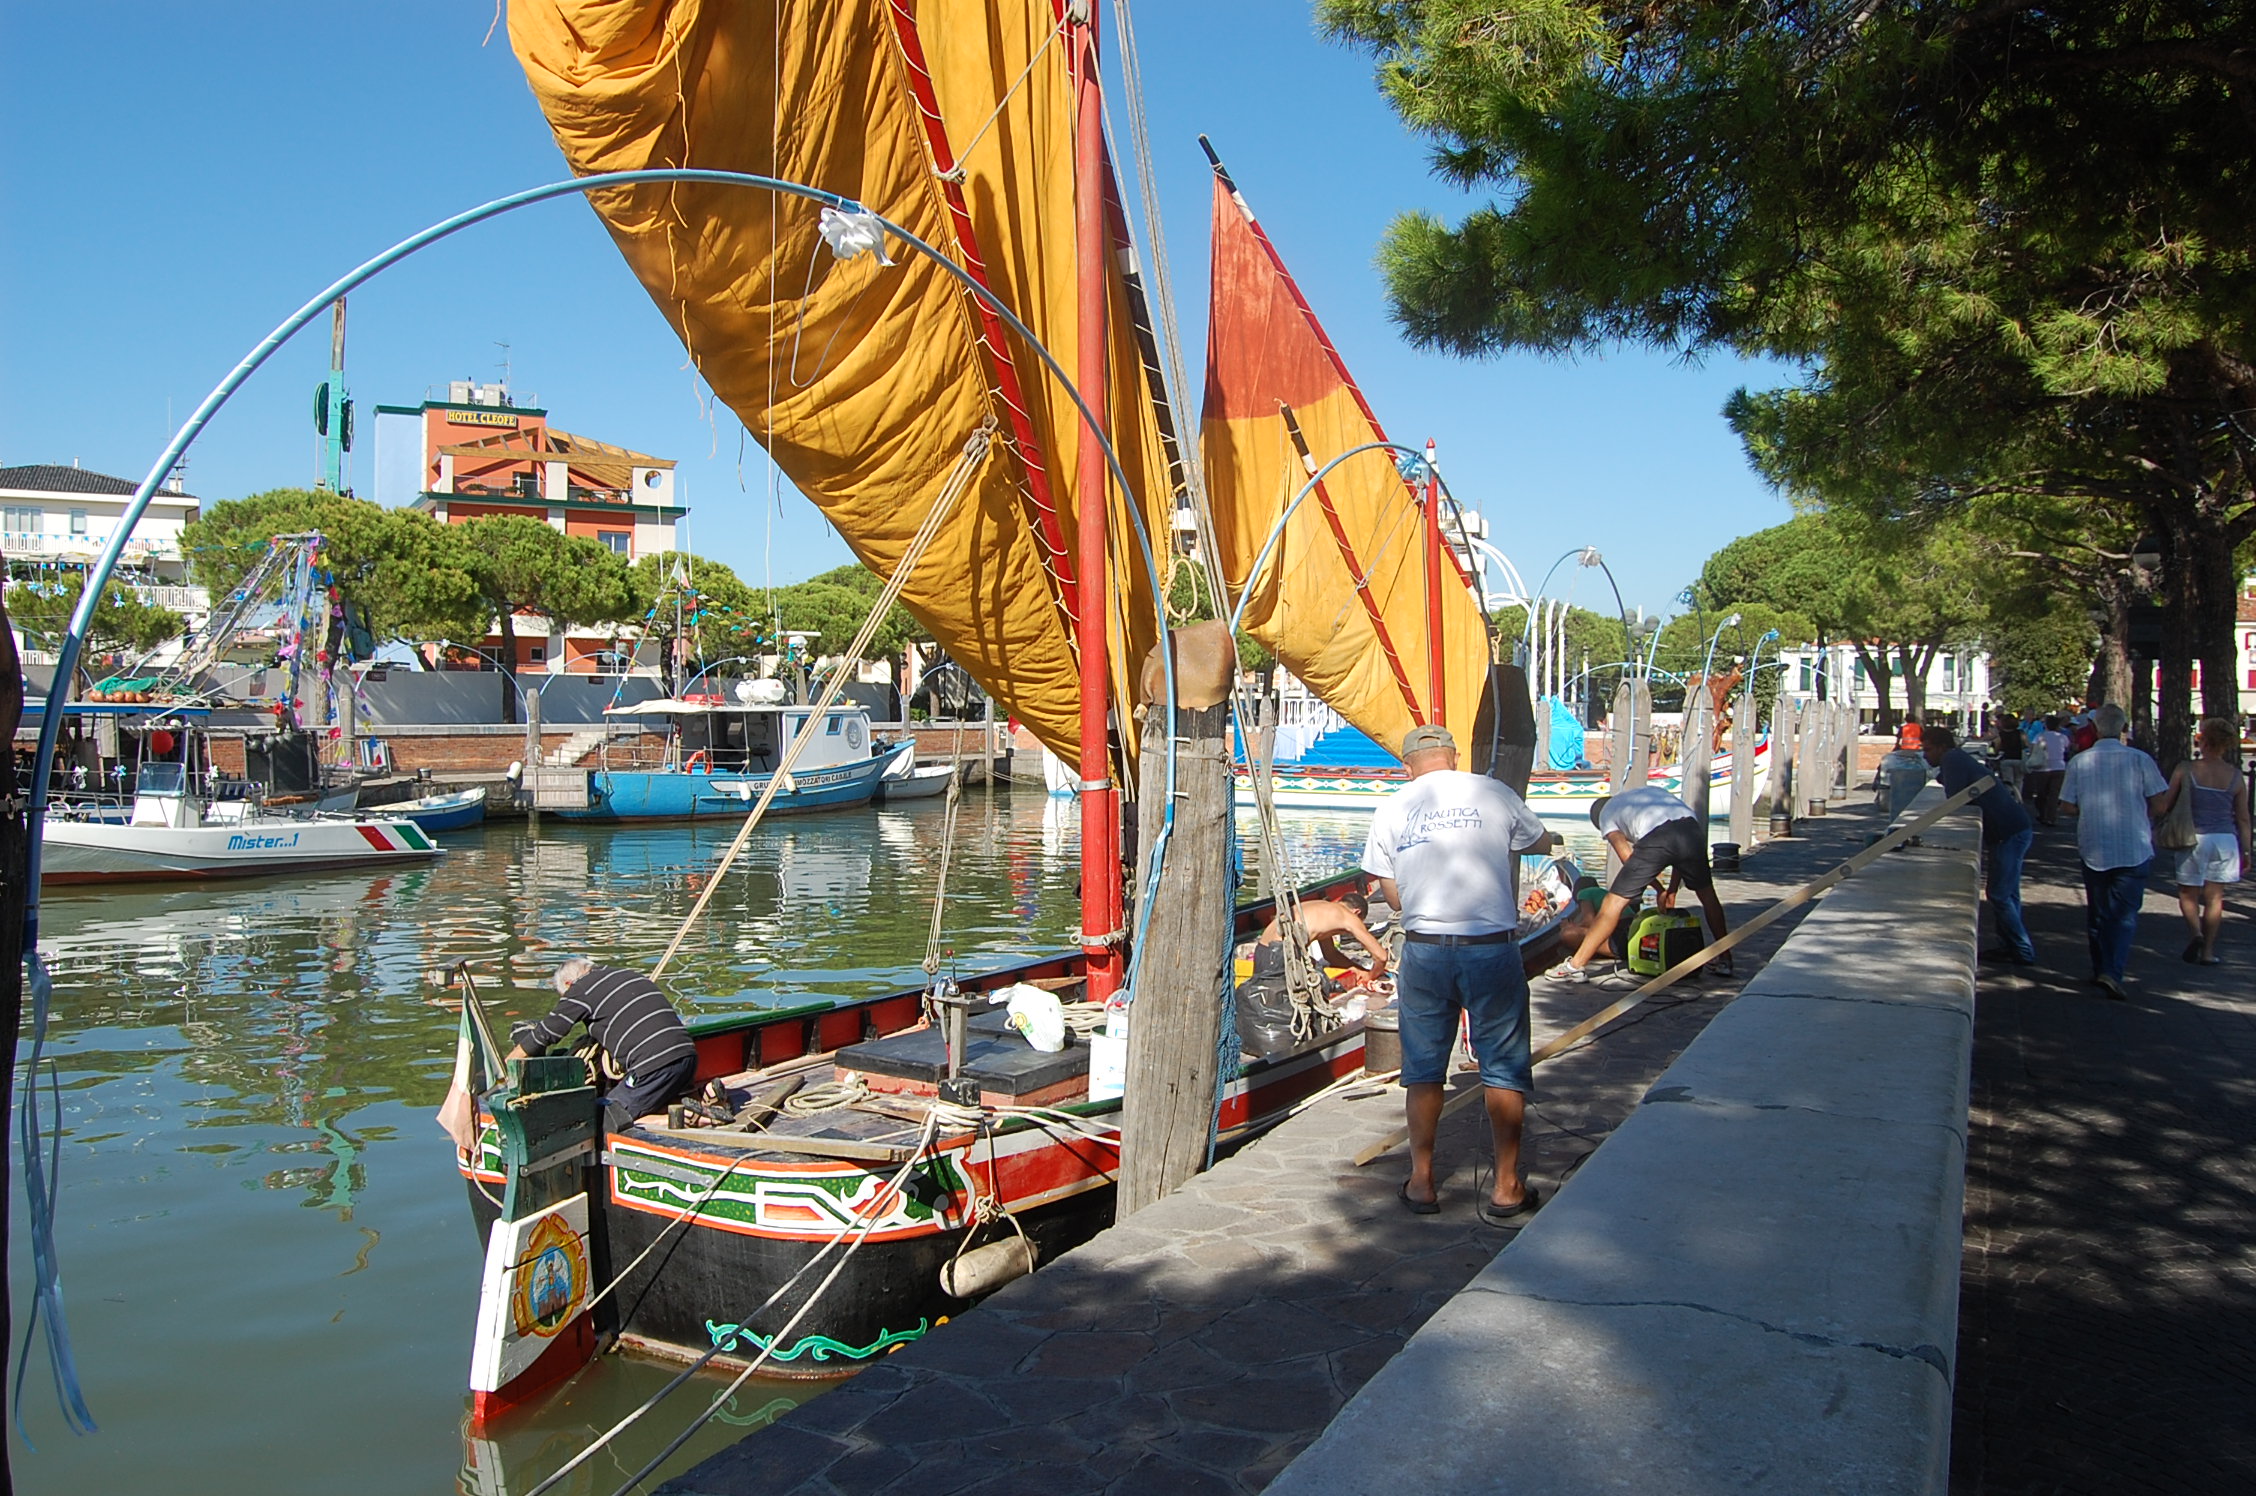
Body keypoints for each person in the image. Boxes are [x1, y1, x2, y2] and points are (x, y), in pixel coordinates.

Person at [1361, 724, 1554, 1223]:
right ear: (1454, 757)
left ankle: (1422, 1181)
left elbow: (1392, 896)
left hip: (1425, 951)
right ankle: (1507, 1187)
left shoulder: (1392, 806)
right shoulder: (1494, 791)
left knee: (1423, 1069)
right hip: (1490, 949)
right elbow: (1538, 840)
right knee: (1503, 1066)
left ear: (1407, 766)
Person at [1548, 786, 1730, 983]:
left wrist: (1659, 889)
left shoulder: (1606, 815)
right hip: (1691, 829)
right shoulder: (1638, 795)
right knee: (1708, 896)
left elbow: (1627, 856)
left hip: (1658, 835)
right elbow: (1679, 855)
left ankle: (1575, 966)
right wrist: (1671, 891)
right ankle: (1725, 959)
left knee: (1612, 904)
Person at [2057, 704, 2170, 999]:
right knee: (2124, 913)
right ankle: (2112, 969)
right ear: (2123, 728)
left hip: (2094, 844)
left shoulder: (2080, 762)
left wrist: (2088, 809)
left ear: (2094, 729)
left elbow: (2067, 806)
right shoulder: (2140, 760)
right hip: (2134, 844)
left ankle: (2101, 966)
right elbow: (2159, 804)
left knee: (2098, 910)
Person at [506, 958, 700, 1130]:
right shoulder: (627, 974)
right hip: (687, 1056)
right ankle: (703, 1103)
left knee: (605, 1117)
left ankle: (680, 1121)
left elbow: (545, 1034)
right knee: (648, 1100)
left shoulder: (581, 989)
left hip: (653, 1066)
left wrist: (510, 1064)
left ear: (568, 983)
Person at [1921, 726, 2036, 966]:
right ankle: (2009, 944)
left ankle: (2022, 950)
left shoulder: (1952, 758)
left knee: (2000, 894)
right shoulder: (1958, 758)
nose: (1925, 755)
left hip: (2008, 833)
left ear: (1942, 747)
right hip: (2013, 828)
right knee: (2009, 893)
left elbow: (1954, 798)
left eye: (1928, 749)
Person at [2152, 717, 2250, 965]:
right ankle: (2208, 951)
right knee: (2215, 898)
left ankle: (2195, 933)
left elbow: (2164, 806)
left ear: (2204, 741)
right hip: (2225, 840)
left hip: (2192, 836)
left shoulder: (2186, 769)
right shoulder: (2236, 776)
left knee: (2188, 893)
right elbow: (2243, 818)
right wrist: (2246, 850)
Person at [1255, 890, 1389, 976]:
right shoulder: (1348, 916)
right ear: (1356, 912)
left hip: (1262, 950)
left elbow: (1331, 955)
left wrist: (1358, 970)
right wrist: (1370, 976)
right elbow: (1381, 956)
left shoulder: (1325, 908)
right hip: (1281, 953)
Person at [2028, 715, 2069, 825]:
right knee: (2054, 794)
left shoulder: (2039, 736)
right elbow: (2067, 749)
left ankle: (2042, 814)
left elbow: (2032, 749)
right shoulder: (2063, 737)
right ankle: (2051, 816)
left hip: (2042, 767)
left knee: (2041, 793)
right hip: (2059, 767)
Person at [1993, 716, 2027, 802]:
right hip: (2019, 758)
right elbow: (2026, 744)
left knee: (2008, 781)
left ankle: (2010, 799)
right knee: (2019, 780)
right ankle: (2018, 799)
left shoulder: (2001, 734)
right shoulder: (2021, 733)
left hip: (2006, 759)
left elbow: (1997, 747)